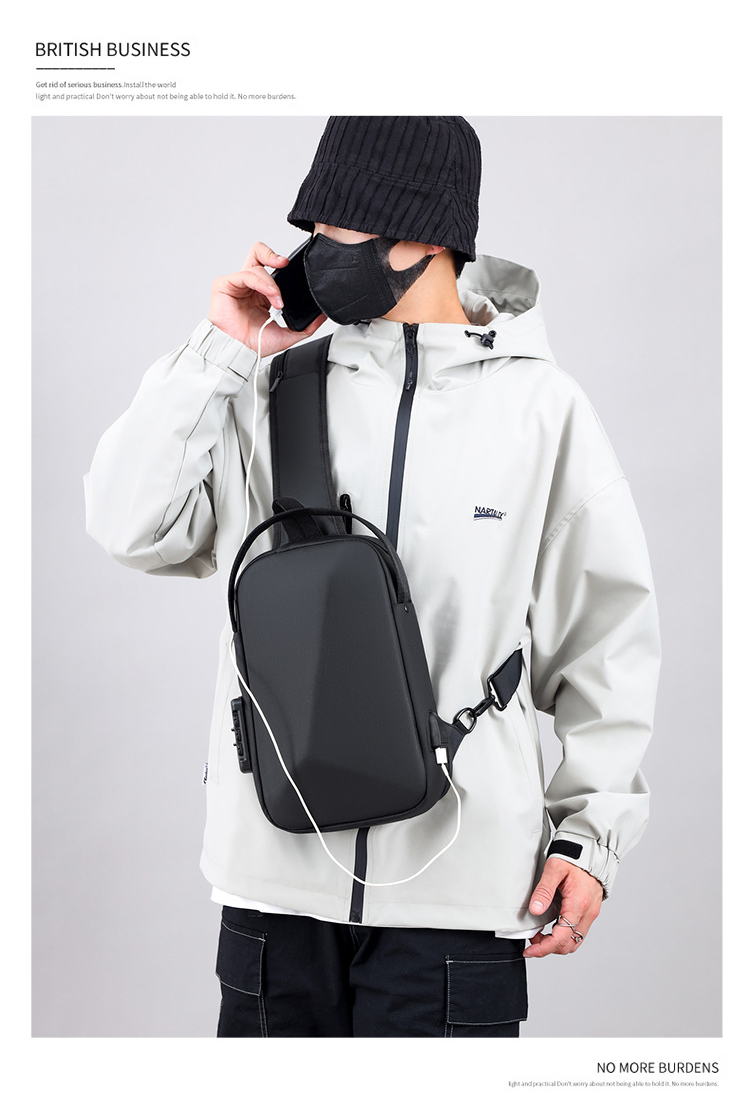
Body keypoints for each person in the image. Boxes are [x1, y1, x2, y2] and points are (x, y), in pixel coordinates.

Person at [84, 116, 661, 1038]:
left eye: (337, 225)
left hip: (458, 904)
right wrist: (220, 349)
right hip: (274, 894)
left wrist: (591, 838)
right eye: (311, 228)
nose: (316, 250)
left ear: (423, 234)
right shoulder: (267, 388)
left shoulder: (541, 411)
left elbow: (605, 642)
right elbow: (128, 523)